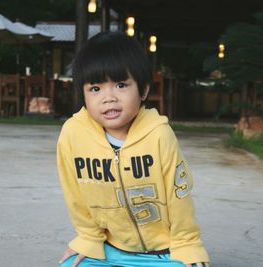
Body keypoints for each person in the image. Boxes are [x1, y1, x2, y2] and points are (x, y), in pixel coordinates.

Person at [57, 31, 210, 267]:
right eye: (95, 89)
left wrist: (187, 244)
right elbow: (74, 195)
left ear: (144, 90)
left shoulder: (159, 134)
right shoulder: (72, 135)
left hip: (164, 253)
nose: (108, 98)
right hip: (111, 250)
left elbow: (179, 196)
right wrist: (88, 239)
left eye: (120, 85)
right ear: (83, 93)